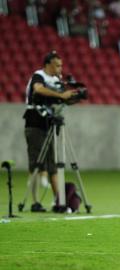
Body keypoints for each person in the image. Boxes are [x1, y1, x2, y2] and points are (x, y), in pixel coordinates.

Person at [23, 51, 76, 212]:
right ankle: (35, 201)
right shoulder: (39, 75)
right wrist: (60, 94)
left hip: (49, 124)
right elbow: (38, 89)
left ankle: (59, 201)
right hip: (34, 123)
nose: (60, 68)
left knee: (53, 164)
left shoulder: (56, 80)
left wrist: (70, 97)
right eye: (57, 65)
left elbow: (59, 99)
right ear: (48, 64)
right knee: (36, 164)